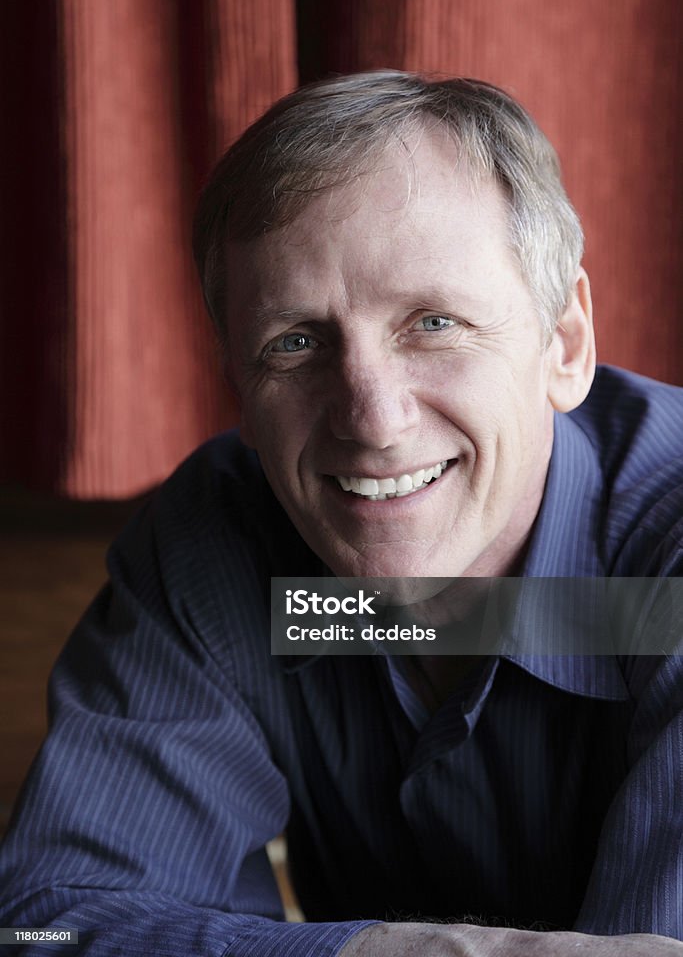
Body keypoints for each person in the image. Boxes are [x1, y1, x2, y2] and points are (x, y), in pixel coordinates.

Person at [1, 72, 682, 956]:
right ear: (239, 390)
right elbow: (46, 927)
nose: (371, 419)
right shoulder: (220, 545)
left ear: (564, 344)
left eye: (433, 323)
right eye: (294, 343)